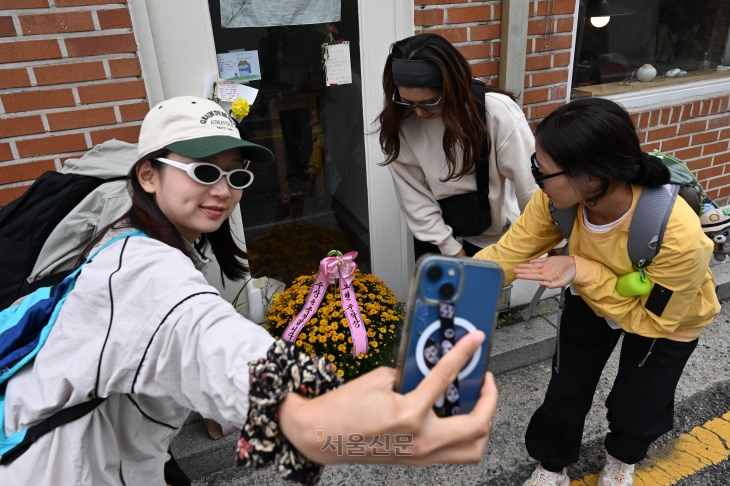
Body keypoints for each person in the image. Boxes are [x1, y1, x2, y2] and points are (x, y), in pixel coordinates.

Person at [0, 96, 498, 485]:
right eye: (203, 171)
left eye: (235, 174)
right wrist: (332, 420)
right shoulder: (144, 268)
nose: (223, 190)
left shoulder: (120, 223)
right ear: (147, 174)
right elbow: (210, 343)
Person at [473, 98, 720, 486]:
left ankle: (624, 456)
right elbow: (509, 253)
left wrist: (582, 269)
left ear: (591, 178)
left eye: (543, 172)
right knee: (566, 386)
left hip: (668, 319)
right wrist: (458, 287)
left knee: (638, 403)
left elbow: (651, 320)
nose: (535, 178)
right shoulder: (559, 203)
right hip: (592, 296)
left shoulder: (680, 238)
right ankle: (552, 464)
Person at [378, 34, 536, 260]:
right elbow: (415, 196)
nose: (419, 112)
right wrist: (449, 247)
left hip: (499, 239)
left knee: (484, 296)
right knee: (440, 296)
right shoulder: (401, 125)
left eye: (429, 102)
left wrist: (550, 239)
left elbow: (530, 185)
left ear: (453, 86)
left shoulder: (495, 113)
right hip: (436, 237)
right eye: (409, 102)